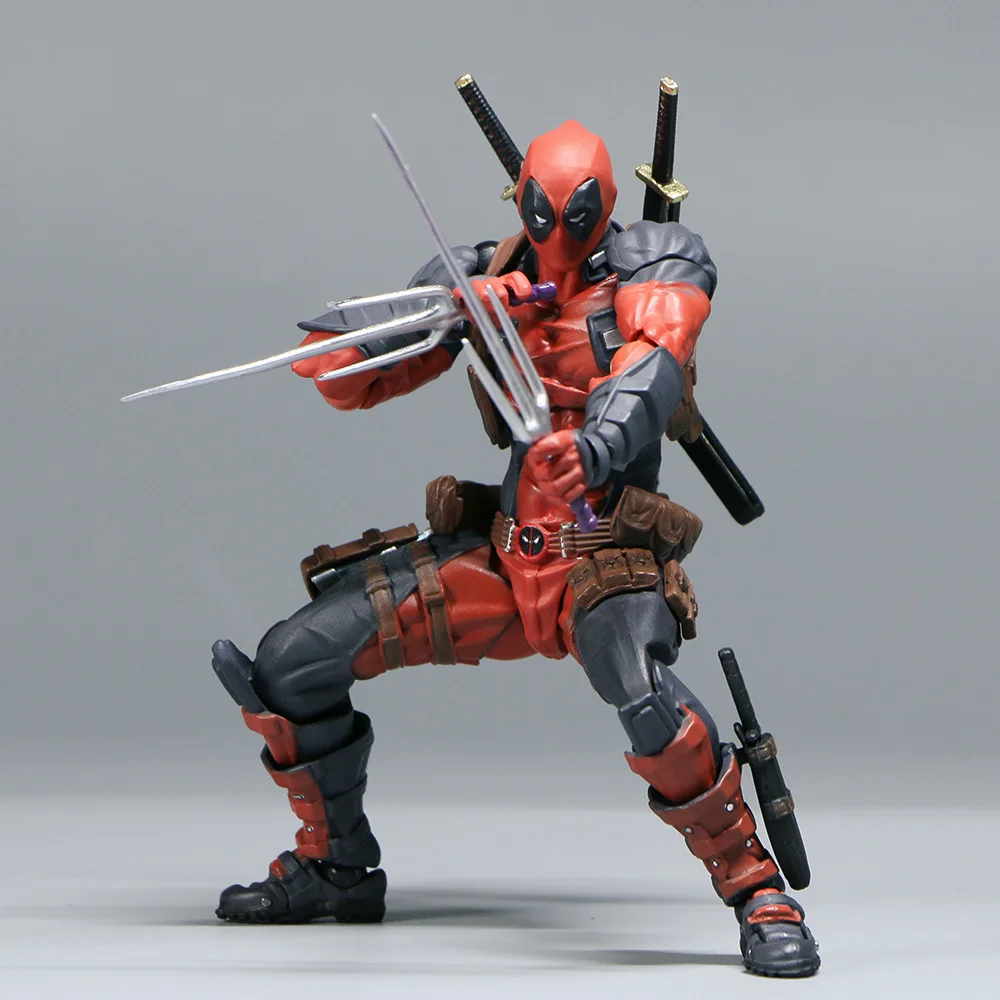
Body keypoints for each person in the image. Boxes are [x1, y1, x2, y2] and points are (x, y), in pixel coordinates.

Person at [209, 120, 820, 977]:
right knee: (290, 664)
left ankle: (758, 890)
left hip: (600, 562)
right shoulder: (489, 271)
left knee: (649, 701)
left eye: (579, 216)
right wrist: (451, 309)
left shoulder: (653, 263)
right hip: (502, 561)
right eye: (543, 214)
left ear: (606, 205)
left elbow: (655, 363)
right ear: (521, 200)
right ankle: (336, 867)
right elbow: (337, 372)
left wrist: (597, 446)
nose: (559, 236)